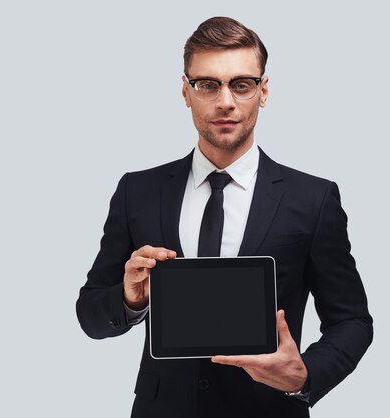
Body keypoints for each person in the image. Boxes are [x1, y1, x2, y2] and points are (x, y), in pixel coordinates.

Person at [76, 16, 373, 418]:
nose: (226, 101)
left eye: (241, 84)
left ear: (263, 91)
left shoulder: (313, 198)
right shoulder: (138, 191)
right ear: (185, 91)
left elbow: (352, 320)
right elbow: (91, 313)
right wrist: (130, 299)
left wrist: (305, 375)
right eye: (208, 84)